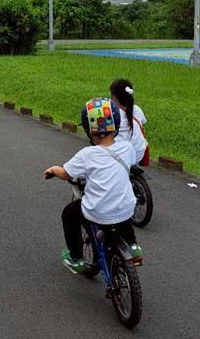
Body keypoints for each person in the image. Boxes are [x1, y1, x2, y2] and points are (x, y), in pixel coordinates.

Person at [44, 97, 141, 274]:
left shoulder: (87, 154)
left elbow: (66, 173)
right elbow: (131, 162)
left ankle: (76, 258)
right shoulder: (127, 148)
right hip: (127, 208)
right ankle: (133, 246)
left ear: (89, 129)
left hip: (98, 211)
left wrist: (53, 170)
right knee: (123, 203)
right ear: (116, 124)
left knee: (70, 213)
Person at [110, 78, 148, 166]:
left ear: (113, 97)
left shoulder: (113, 114)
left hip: (122, 157)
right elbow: (143, 122)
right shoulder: (137, 109)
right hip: (139, 154)